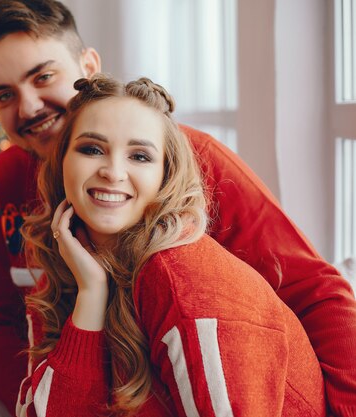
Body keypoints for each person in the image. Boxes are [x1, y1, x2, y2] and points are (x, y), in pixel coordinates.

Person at [0, 1, 356, 416]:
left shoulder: (191, 162)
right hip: (54, 372)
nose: (29, 106)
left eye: (44, 76)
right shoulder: (9, 176)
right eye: (4, 95)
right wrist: (54, 395)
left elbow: (317, 290)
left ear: (88, 68)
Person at [17, 74, 326, 416]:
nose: (113, 171)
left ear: (166, 175)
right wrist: (91, 294)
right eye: (92, 149)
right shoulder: (68, 265)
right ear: (62, 163)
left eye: (140, 156)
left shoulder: (189, 282)